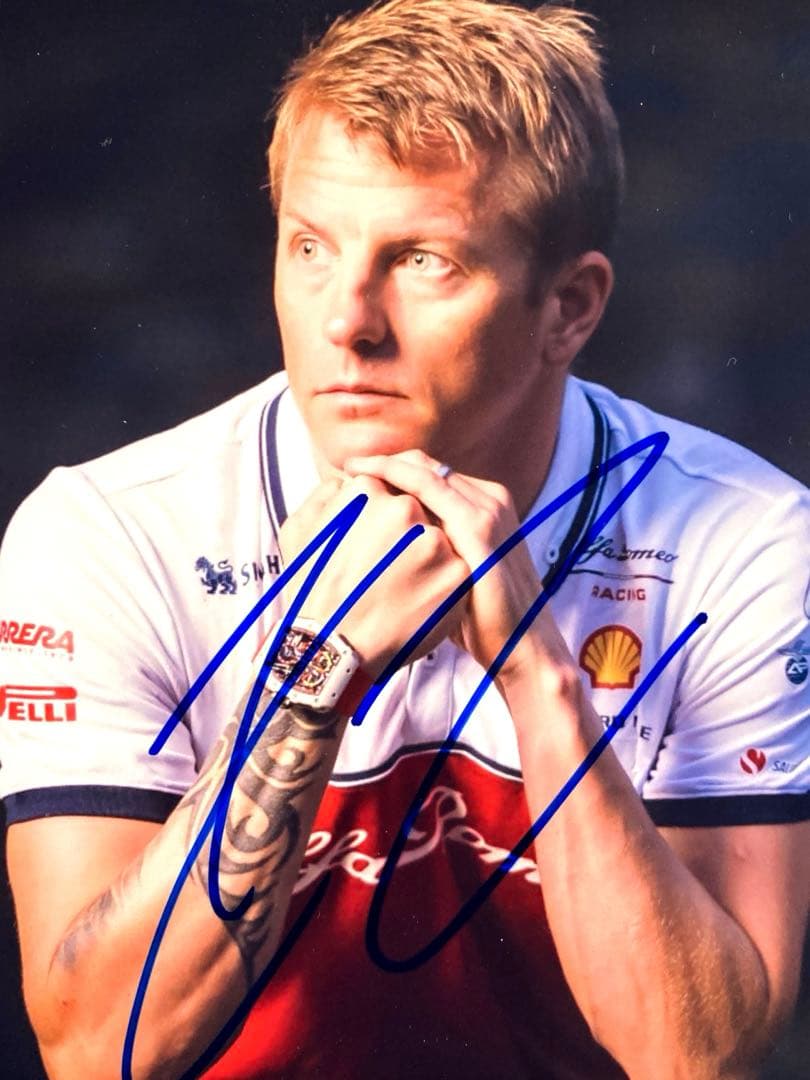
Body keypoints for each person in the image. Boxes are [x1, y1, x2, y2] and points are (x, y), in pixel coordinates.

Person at [1, 0, 808, 1077]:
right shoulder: (108, 534)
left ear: (570, 307)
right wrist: (315, 668)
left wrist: (536, 675)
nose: (347, 322)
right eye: (311, 247)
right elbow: (101, 1049)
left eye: (423, 260)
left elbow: (697, 1058)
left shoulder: (746, 542)